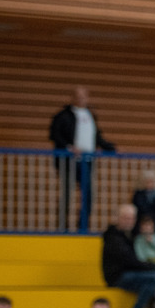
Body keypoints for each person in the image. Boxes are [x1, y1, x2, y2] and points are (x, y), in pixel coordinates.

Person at [48, 86, 115, 231]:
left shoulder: (91, 115)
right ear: (72, 98)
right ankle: (62, 226)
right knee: (67, 193)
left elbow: (96, 137)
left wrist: (110, 147)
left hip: (87, 161)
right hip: (69, 161)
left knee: (88, 195)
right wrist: (69, 147)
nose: (81, 99)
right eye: (78, 96)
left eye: (84, 96)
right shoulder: (63, 115)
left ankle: (82, 225)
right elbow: (54, 135)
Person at [101, 204, 155, 308]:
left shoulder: (132, 235)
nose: (129, 221)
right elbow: (130, 261)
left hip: (131, 273)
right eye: (126, 218)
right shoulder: (113, 237)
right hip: (118, 276)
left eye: (132, 218)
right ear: (118, 218)